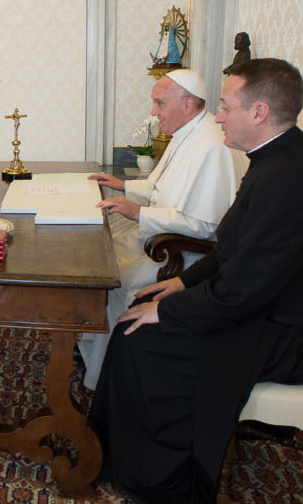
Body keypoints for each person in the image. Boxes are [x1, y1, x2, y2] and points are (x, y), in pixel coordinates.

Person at [88, 58, 303, 504]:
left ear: (258, 112)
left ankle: (158, 478)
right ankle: (115, 454)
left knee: (141, 337)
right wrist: (181, 284)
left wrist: (171, 311)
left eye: (224, 106)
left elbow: (243, 291)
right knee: (140, 313)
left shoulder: (289, 180)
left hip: (297, 333)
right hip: (269, 306)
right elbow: (233, 247)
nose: (216, 117)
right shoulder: (277, 161)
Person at [77, 69, 247, 389]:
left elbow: (204, 225)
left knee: (108, 271)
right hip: (163, 236)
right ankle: (93, 344)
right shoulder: (186, 131)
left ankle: (110, 371)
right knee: (96, 244)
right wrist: (123, 187)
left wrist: (139, 213)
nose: (153, 112)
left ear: (187, 104)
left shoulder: (212, 147)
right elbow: (161, 189)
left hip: (183, 254)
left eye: (159, 104)